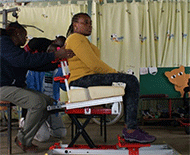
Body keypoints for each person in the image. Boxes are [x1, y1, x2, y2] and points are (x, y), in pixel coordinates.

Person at [65, 13, 156, 143]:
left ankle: (131, 128)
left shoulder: (81, 39)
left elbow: (93, 64)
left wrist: (114, 73)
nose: (89, 26)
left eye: (90, 23)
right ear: (75, 25)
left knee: (129, 80)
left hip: (87, 78)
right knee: (131, 80)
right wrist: (115, 72)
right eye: (85, 22)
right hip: (82, 80)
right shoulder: (75, 38)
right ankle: (131, 130)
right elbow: (94, 64)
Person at [0, 22, 74, 153]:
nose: (25, 39)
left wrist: (57, 64)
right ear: (17, 33)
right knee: (37, 102)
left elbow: (33, 65)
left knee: (49, 103)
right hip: (2, 87)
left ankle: (24, 137)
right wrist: (55, 55)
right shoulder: (3, 43)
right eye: (24, 35)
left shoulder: (14, 49)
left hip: (10, 87)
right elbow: (24, 60)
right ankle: (24, 139)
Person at [20, 42, 67, 142]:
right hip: (40, 107)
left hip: (52, 106)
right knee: (43, 137)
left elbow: (64, 87)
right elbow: (30, 89)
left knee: (61, 133)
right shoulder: (35, 69)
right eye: (51, 53)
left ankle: (45, 124)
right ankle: (25, 122)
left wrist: (67, 76)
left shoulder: (58, 69)